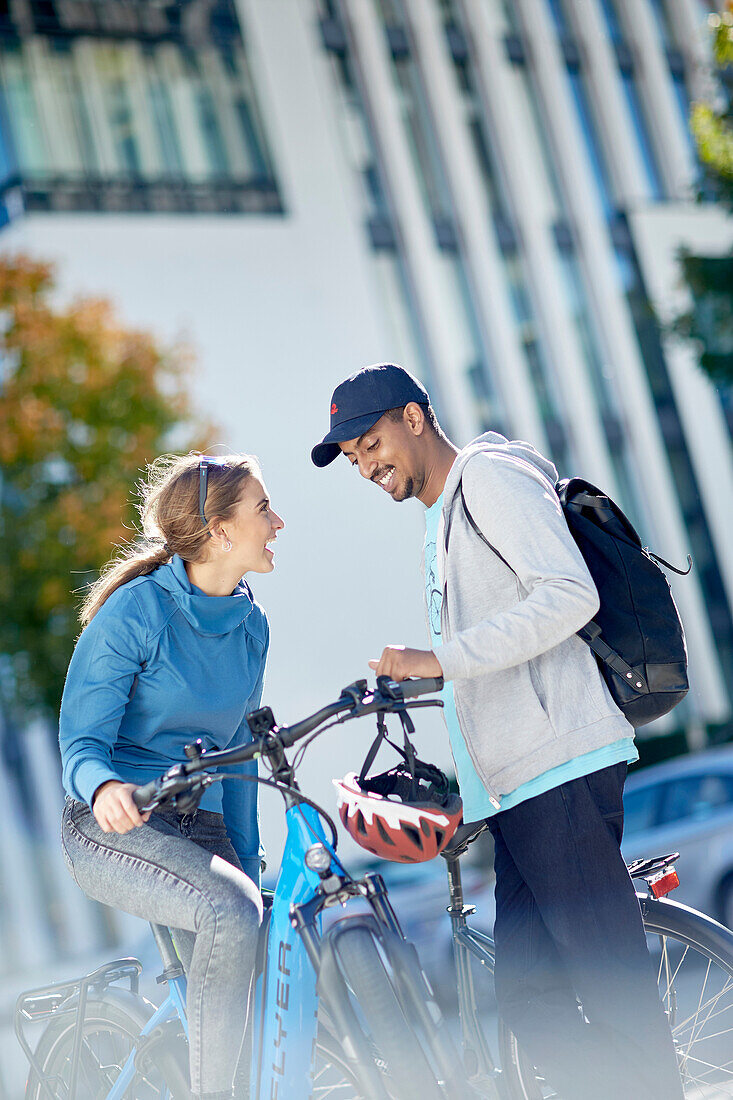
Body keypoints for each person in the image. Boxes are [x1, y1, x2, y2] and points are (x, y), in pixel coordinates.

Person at [311, 363, 683, 1100]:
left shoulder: (487, 479)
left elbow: (567, 595)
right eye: (352, 459)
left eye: (370, 442)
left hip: (560, 770)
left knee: (611, 994)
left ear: (414, 417)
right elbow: (491, 653)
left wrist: (441, 659)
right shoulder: (439, 514)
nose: (366, 466)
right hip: (515, 788)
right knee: (530, 1003)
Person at [59, 452, 284, 1100]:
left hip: (202, 820)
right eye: (263, 509)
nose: (278, 522)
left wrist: (250, 861)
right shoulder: (136, 614)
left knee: (263, 929)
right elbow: (81, 743)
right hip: (116, 826)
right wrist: (104, 789)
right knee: (229, 912)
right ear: (219, 531)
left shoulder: (250, 624)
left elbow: (240, 745)